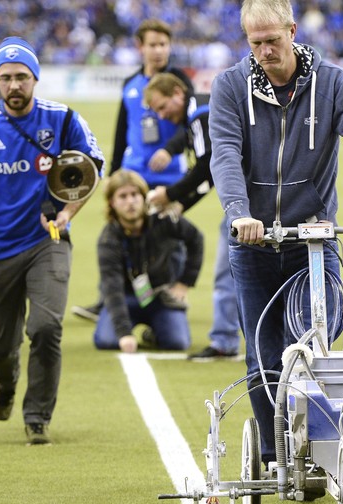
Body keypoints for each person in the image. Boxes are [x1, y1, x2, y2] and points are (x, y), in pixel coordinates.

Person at [209, 0, 343, 466]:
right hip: (252, 242)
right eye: (256, 43)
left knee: (318, 343)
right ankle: (277, 458)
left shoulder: (333, 83)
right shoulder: (231, 86)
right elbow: (225, 153)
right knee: (262, 357)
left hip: (311, 239)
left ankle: (324, 446)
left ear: (293, 30)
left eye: (273, 40)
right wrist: (238, 212)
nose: (266, 51)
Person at [0, 37, 105, 446]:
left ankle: (36, 417)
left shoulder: (64, 118)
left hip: (47, 240)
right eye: (5, 78)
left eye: (21, 77)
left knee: (47, 327)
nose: (14, 85)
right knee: (1, 344)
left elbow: (91, 167)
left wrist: (67, 213)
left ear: (35, 78)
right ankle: (5, 379)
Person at [72, 18, 194, 323]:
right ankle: (106, 299)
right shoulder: (130, 85)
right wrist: (112, 172)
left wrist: (171, 149)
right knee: (119, 235)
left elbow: (194, 126)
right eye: (152, 44)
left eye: (163, 44)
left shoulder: (179, 81)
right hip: (133, 174)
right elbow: (121, 131)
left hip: (170, 177)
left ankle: (169, 296)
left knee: (170, 236)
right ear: (140, 47)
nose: (158, 50)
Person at [143, 72, 243, 362]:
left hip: (244, 205)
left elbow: (207, 166)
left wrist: (171, 195)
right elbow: (212, 175)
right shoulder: (204, 107)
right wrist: (181, 205)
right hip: (253, 198)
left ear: (177, 92)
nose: (163, 116)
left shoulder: (200, 114)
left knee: (228, 272)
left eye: (163, 107)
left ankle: (224, 341)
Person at [93, 169, 204, 353]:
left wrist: (185, 283)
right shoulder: (108, 239)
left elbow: (196, 238)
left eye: (135, 194)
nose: (130, 202)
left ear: (144, 197)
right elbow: (111, 288)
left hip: (161, 296)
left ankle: (153, 334)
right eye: (123, 196)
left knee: (177, 342)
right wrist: (124, 333)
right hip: (126, 298)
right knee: (107, 340)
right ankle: (121, 325)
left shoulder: (163, 219)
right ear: (112, 203)